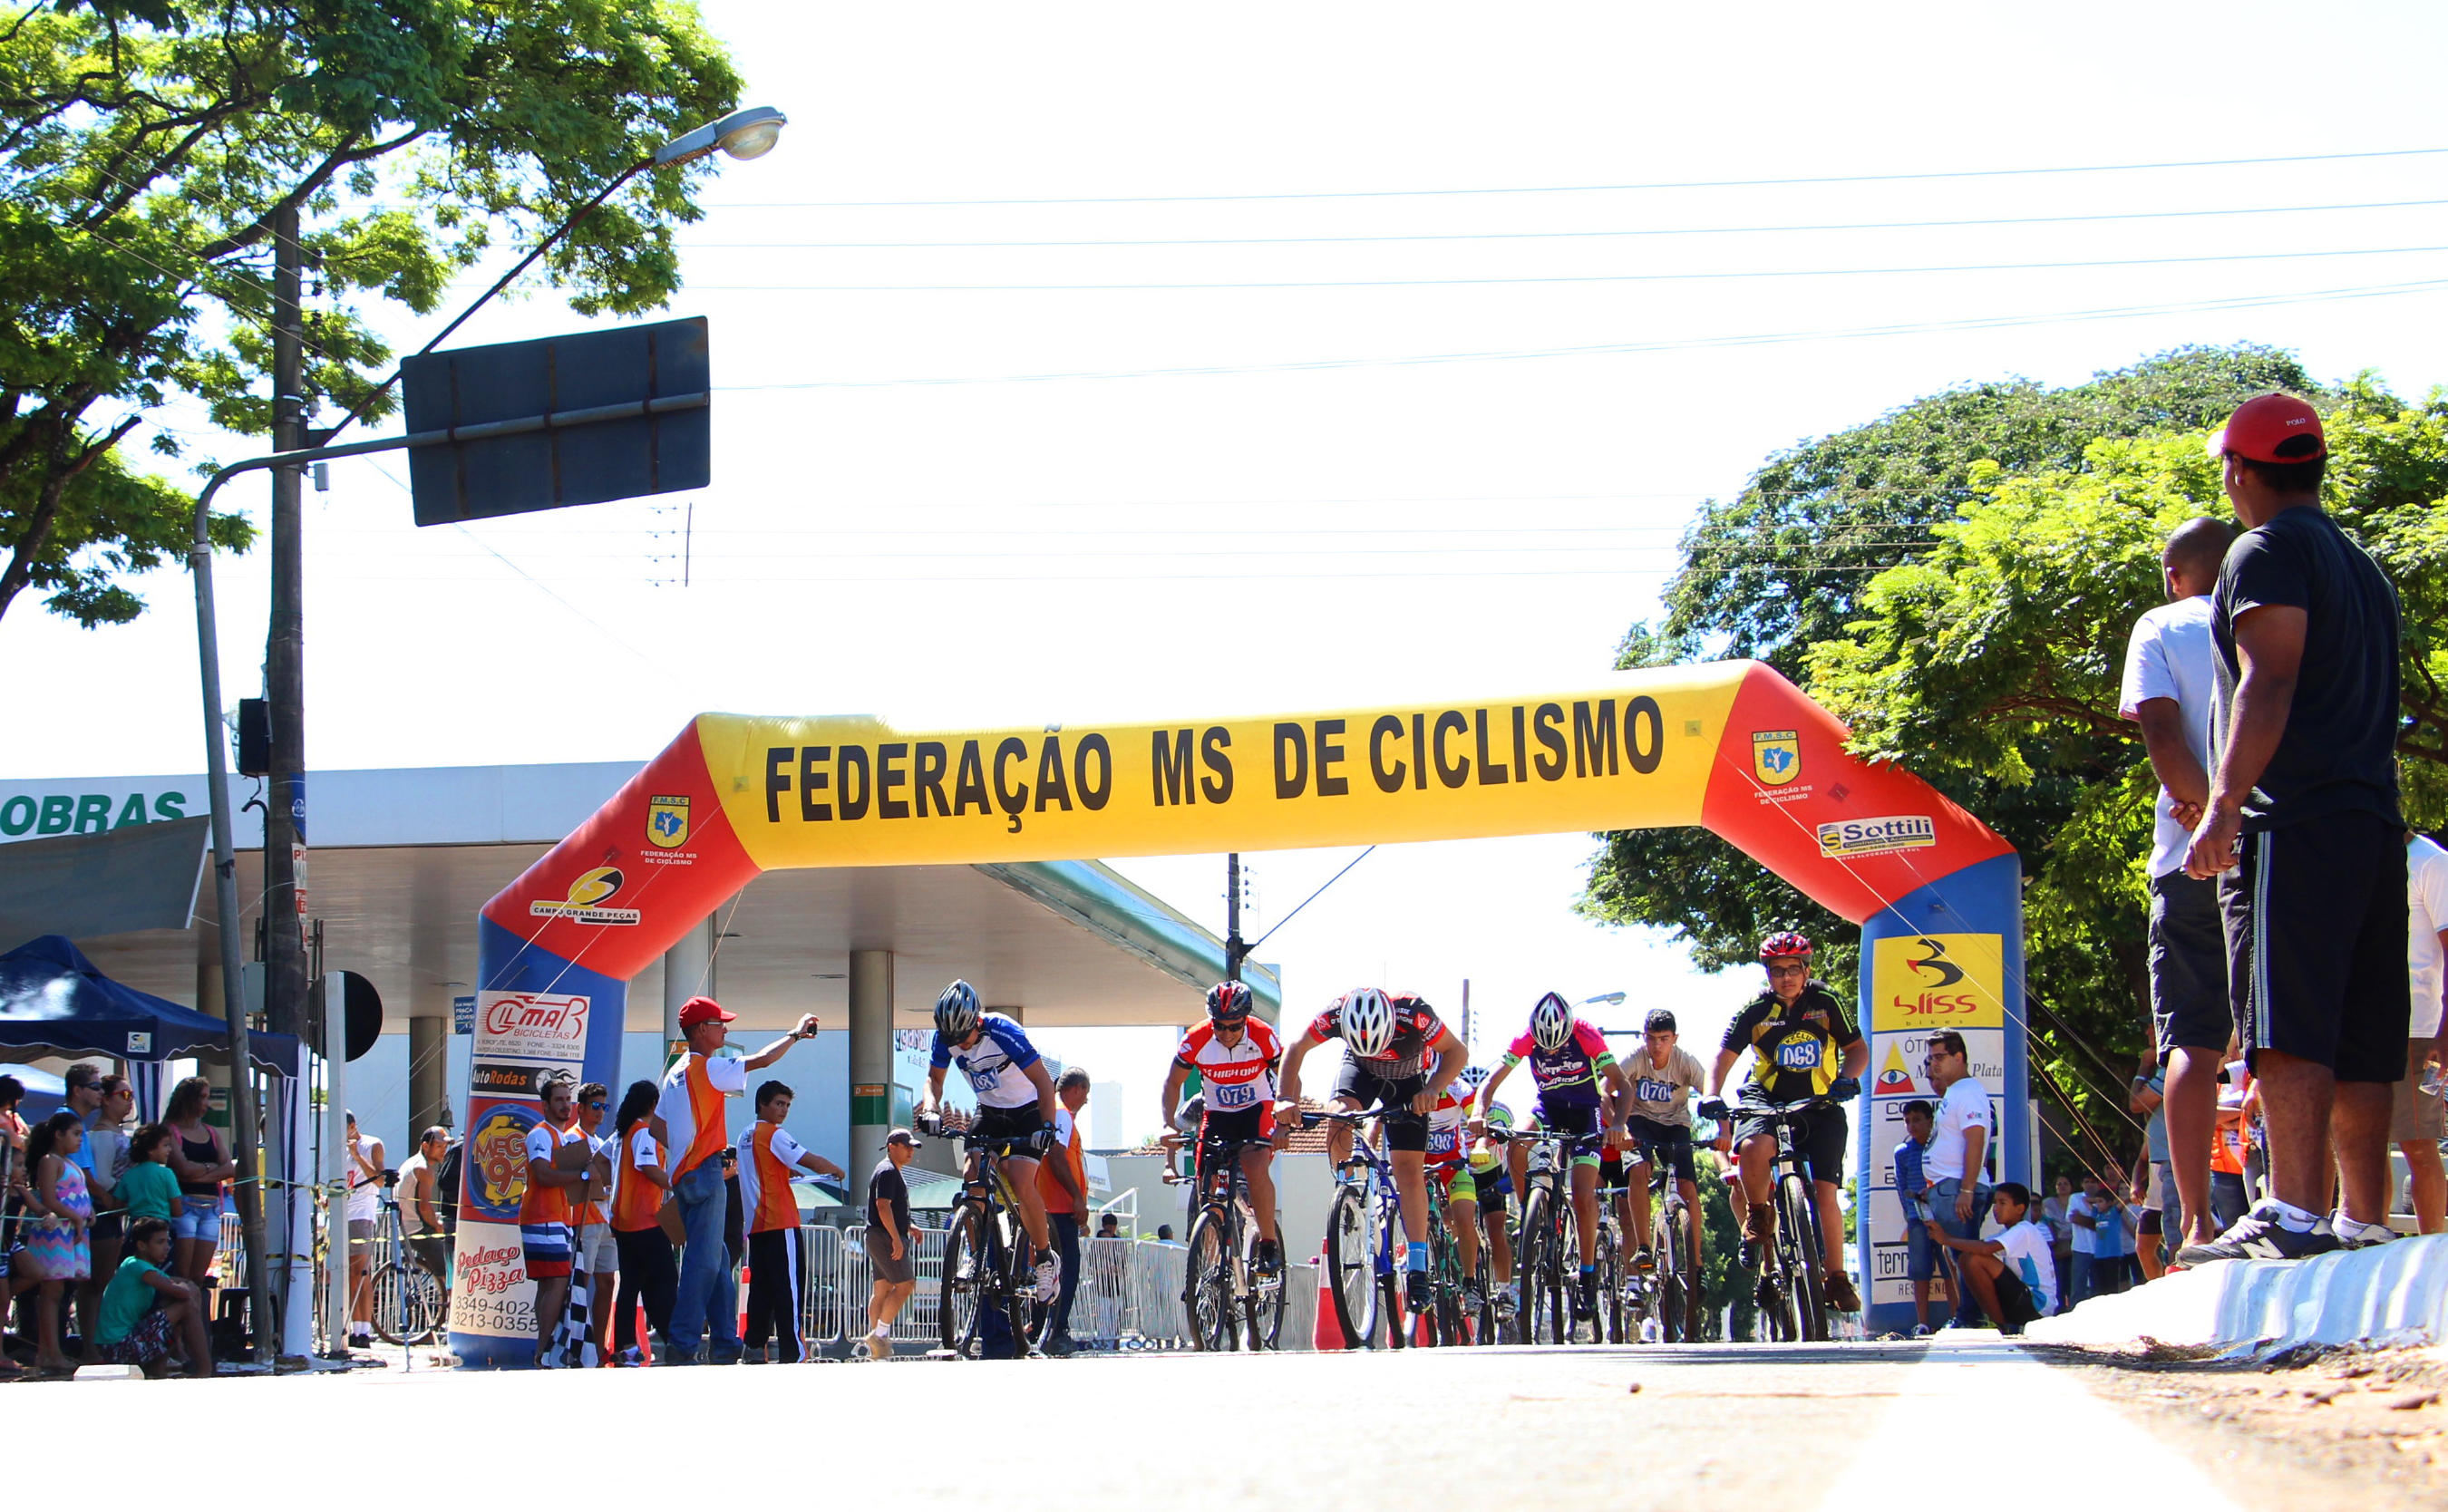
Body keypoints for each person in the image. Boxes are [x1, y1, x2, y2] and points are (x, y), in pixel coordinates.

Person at [2182, 393, 2407, 1263]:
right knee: (2360, 1029)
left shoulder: (2265, 550)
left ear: (2241, 471)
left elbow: (2268, 679)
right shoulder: (2362, 567)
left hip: (2295, 820)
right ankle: (2361, 1218)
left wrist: (2224, 805)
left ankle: (2295, 1214)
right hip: (2372, 822)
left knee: (2285, 1022)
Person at [2122, 516, 2236, 1255]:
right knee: (2288, 1031)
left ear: (2174, 574)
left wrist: (2205, 813)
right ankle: (2306, 1206)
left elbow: (2160, 731)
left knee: (2191, 1039)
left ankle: (2196, 1223)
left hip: (2189, 858)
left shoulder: (2160, 625)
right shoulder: (2271, 618)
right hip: (2272, 847)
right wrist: (2237, 814)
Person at [1701, 932, 1867, 1314]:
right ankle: (1759, 1214)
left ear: (1806, 970)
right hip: (1767, 1098)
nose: (1786, 977)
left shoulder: (1826, 1001)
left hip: (1819, 1101)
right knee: (1754, 1147)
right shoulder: (1755, 1010)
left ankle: (1837, 1278)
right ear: (1768, 974)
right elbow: (1722, 1058)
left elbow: (1857, 1049)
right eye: (1777, 971)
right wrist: (1711, 1094)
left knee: (1826, 1193)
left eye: (1794, 969)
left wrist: (1848, 1078)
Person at [1279, 985, 1468, 1315]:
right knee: (1339, 1117)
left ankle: (1418, 1268)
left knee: (1408, 1170)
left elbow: (1457, 1051)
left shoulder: (1415, 1013)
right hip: (1360, 1072)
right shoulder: (1335, 1013)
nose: (1376, 1049)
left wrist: (1433, 1089)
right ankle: (1347, 1192)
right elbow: (1296, 1047)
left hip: (1409, 1080)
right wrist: (1284, 1098)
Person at [656, 994, 821, 1365]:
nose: (726, 1031)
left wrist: (685, 1149)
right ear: (702, 1029)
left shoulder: (675, 1072)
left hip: (683, 1175)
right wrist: (796, 1034)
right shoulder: (707, 1067)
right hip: (706, 1171)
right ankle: (681, 1343)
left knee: (717, 1259)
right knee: (702, 1261)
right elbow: (762, 1060)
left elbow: (657, 1127)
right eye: (720, 1025)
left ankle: (725, 1342)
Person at [1472, 991, 1634, 1323]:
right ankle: (1529, 1213)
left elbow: (1624, 1085)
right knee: (1517, 1141)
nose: (1550, 1052)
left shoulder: (1587, 1034)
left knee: (1584, 1194)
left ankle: (1587, 1276)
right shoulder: (1526, 1038)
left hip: (1586, 1113)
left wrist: (1618, 1124)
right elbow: (1491, 1081)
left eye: (1557, 1046)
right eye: (1544, 1048)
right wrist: (1478, 1112)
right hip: (1548, 1107)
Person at [918, 979, 1065, 1304]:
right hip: (990, 1110)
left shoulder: (1003, 1031)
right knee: (972, 1177)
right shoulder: (946, 1038)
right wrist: (930, 1108)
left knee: (1021, 1181)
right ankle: (974, 1256)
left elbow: (1044, 1082)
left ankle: (1045, 1258)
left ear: (976, 1022)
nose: (961, 1045)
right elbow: (934, 1079)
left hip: (1027, 1110)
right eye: (954, 1040)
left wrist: (1047, 1127)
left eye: (964, 1037)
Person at [1161, 981, 1287, 1284]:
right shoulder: (1197, 1038)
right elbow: (1172, 1083)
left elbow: (1288, 1075)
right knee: (1206, 1187)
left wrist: (1284, 1121)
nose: (1227, 1033)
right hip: (1217, 1114)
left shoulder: (1263, 1035)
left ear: (1246, 1020)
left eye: (1235, 1026)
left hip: (1256, 1110)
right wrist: (1168, 1123)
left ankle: (1268, 1243)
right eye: (1219, 1025)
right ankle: (1211, 1268)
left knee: (1255, 1167)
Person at [738, 1080, 846, 1364]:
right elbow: (810, 1160)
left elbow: (760, 1170)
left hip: (756, 1226)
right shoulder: (775, 1134)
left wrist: (786, 1173)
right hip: (780, 1222)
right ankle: (794, 1351)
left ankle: (754, 1347)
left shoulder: (745, 1135)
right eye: (779, 1103)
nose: (784, 1110)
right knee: (790, 1290)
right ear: (762, 1104)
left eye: (787, 1105)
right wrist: (835, 1170)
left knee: (761, 1291)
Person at [1621, 1008, 1707, 1310]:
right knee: (1639, 1169)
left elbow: (1711, 1093)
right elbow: (1607, 1090)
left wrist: (1723, 1130)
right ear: (1644, 1038)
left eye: (1664, 1039)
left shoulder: (1685, 1062)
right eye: (1652, 1038)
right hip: (1640, 1121)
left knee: (1688, 1188)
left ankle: (1697, 1265)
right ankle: (1644, 1247)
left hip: (1675, 1124)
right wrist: (1619, 1127)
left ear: (1675, 1038)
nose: (1657, 1045)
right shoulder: (1635, 1059)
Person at [520, 1075, 596, 1367]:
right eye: (559, 1100)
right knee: (558, 1282)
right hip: (543, 1216)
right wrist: (584, 1175)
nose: (566, 1105)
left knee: (549, 1284)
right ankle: (543, 1351)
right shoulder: (540, 1134)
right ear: (545, 1105)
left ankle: (544, 1350)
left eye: (568, 1099)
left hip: (558, 1218)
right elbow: (543, 1174)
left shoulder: (562, 1137)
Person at [1924, 1030, 1994, 1325]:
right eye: (1930, 1059)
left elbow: (1975, 1140)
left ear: (1959, 1057)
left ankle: (1971, 1318)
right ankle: (1967, 1316)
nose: (1934, 1064)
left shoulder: (1967, 1091)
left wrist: (1966, 1190)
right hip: (1948, 1187)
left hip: (1958, 1188)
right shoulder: (1955, 1091)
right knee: (1958, 1255)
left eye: (1939, 1057)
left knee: (1964, 1256)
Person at [1923, 1181, 2056, 1335]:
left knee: (1974, 1259)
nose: (1996, 1209)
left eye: (2002, 1203)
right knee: (1964, 1257)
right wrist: (1946, 1242)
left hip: (2037, 1306)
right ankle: (1980, 1318)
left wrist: (1946, 1239)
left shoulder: (2025, 1230)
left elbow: (1984, 1249)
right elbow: (1971, 1247)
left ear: (2019, 1209)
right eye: (1995, 1203)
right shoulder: (2005, 1233)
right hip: (2020, 1301)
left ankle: (1997, 1324)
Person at [2400, 830, 2448, 1235]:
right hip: (2363, 1027)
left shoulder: (2430, 860)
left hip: (2420, 1031)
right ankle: (2368, 1245)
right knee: (2360, 1146)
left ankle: (2434, 1250)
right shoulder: (2360, 857)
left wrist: (2445, 1033)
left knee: (2419, 1145)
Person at [607, 1081, 673, 1367]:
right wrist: (678, 1184)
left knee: (631, 1284)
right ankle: (674, 1340)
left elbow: (599, 1161)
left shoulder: (621, 1134)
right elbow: (649, 1168)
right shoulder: (644, 1132)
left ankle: (626, 1347)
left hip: (622, 1220)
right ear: (654, 1105)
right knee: (665, 1279)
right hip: (645, 1219)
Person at [94, 1216, 211, 1378]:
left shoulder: (144, 1267)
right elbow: (183, 1292)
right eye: (160, 1242)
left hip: (123, 1345)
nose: (167, 1247)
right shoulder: (137, 1266)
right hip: (117, 1349)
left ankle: (158, 1368)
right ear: (142, 1245)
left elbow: (182, 1285)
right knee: (185, 1304)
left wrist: (188, 1287)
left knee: (177, 1301)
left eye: (167, 1242)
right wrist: (188, 1288)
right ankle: (204, 1369)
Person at [22, 1111, 92, 1376]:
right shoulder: (49, 1161)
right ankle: (49, 1352)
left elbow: (78, 1193)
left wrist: (89, 1212)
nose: (80, 1140)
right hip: (55, 1234)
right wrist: (75, 1217)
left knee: (58, 1291)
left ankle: (50, 1350)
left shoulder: (70, 1163)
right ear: (58, 1135)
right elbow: (50, 1199)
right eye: (75, 1134)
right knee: (51, 1292)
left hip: (70, 1234)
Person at [76, 1072, 135, 1362]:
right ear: (107, 1100)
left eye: (131, 1095)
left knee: (103, 1280)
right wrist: (117, 1198)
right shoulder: (101, 1134)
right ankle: (89, 1346)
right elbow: (99, 1177)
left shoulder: (117, 1133)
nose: (129, 1101)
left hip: (114, 1212)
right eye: (123, 1095)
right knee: (94, 1282)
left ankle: (97, 1343)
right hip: (103, 1210)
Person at [1037, 1066, 1093, 1356]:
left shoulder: (1053, 1110)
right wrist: (1076, 1198)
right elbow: (1057, 1156)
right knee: (1065, 1271)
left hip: (1048, 1205)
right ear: (1078, 1088)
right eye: (1085, 1094)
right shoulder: (1061, 1114)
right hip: (1057, 1207)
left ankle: (1043, 1328)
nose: (1085, 1101)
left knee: (1047, 1271)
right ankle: (1056, 1331)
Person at [162, 1076, 231, 1284]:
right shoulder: (170, 1129)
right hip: (184, 1206)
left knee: (198, 1276)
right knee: (181, 1274)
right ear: (188, 1098)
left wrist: (197, 1174)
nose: (206, 1103)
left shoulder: (211, 1132)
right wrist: (212, 1168)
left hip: (211, 1208)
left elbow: (229, 1168)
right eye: (202, 1097)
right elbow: (182, 1168)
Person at [1895, 1100, 1952, 1336]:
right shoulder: (1902, 1152)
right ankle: (1923, 1323)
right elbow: (1901, 1186)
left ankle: (1956, 1318)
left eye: (1917, 1120)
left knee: (1950, 1266)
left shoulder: (1943, 1146)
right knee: (1919, 1270)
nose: (1912, 1126)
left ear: (1931, 1120)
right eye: (1907, 1121)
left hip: (1943, 1217)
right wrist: (1911, 1213)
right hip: (1917, 1219)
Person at [863, 1129, 922, 1359]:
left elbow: (890, 1207)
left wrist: (908, 1226)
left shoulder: (888, 1170)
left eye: (912, 1147)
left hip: (878, 1235)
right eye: (906, 1146)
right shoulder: (888, 1171)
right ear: (891, 1147)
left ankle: (876, 1345)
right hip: (885, 1236)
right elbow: (882, 1206)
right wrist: (897, 1238)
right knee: (906, 1285)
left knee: (882, 1289)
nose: (910, 1151)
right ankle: (879, 1336)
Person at [570, 1084, 618, 1356]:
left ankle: (600, 1348)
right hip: (584, 1220)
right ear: (581, 1108)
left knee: (607, 1282)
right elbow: (576, 1180)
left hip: (606, 1221)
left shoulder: (601, 1142)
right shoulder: (571, 1138)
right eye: (595, 1106)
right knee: (582, 1283)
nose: (600, 1112)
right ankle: (577, 1346)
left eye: (604, 1107)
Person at [393, 1127, 452, 1321]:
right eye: (438, 1146)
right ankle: (451, 1319)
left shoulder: (410, 1163)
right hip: (418, 1230)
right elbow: (425, 1208)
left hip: (405, 1228)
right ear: (426, 1146)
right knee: (452, 1272)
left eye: (445, 1147)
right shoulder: (424, 1169)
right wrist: (437, 1225)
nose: (443, 1151)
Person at [342, 1110, 384, 1350]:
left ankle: (364, 1330)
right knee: (348, 1275)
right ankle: (354, 1327)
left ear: (353, 1126)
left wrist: (357, 1156)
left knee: (361, 1272)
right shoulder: (339, 1151)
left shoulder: (372, 1145)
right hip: (342, 1215)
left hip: (361, 1215)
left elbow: (380, 1180)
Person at [115, 1123, 181, 1227]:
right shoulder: (166, 1173)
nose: (170, 1149)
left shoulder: (129, 1174)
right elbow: (177, 1211)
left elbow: (117, 1208)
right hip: (160, 1226)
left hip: (136, 1227)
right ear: (150, 1149)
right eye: (165, 1145)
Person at [2062, 1174, 2098, 1305]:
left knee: (2098, 1286)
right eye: (2086, 1181)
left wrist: (2084, 1220)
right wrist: (2094, 1222)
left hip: (2100, 1249)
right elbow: (2072, 1218)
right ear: (2082, 1184)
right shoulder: (2076, 1198)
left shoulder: (2103, 1198)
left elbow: (2102, 1223)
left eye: (2093, 1182)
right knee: (2078, 1285)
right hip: (2080, 1247)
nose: (2089, 1185)